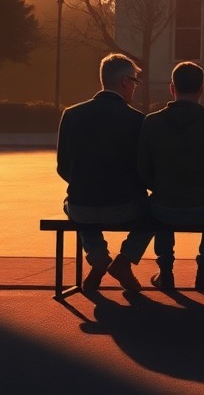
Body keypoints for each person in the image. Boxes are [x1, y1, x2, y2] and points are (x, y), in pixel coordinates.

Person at [56, 53, 153, 292]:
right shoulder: (138, 120)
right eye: (135, 81)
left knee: (72, 205)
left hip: (83, 206)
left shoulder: (71, 114)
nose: (135, 87)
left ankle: (97, 254)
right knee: (156, 212)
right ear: (124, 82)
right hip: (125, 206)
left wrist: (84, 182)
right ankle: (125, 259)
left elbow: (62, 166)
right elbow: (146, 168)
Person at [137, 61, 204, 291]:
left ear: (172, 88)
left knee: (158, 207)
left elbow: (142, 171)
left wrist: (160, 185)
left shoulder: (151, 123)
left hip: (164, 205)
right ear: (201, 89)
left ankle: (166, 271)